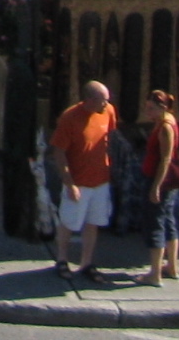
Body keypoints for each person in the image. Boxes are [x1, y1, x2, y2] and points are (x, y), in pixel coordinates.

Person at [50, 79, 117, 279]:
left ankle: (86, 262)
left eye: (107, 100)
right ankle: (62, 259)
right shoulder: (70, 118)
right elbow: (59, 152)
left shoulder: (108, 112)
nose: (106, 104)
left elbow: (109, 137)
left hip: (100, 180)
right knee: (69, 222)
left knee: (93, 222)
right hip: (78, 181)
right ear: (88, 99)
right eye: (102, 100)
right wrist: (69, 183)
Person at [134, 89, 179, 286]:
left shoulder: (165, 127)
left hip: (159, 180)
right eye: (146, 107)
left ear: (162, 108)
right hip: (165, 181)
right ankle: (171, 266)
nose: (147, 111)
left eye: (151, 108)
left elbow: (165, 159)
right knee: (168, 220)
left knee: (155, 223)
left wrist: (155, 186)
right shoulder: (166, 120)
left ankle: (154, 273)